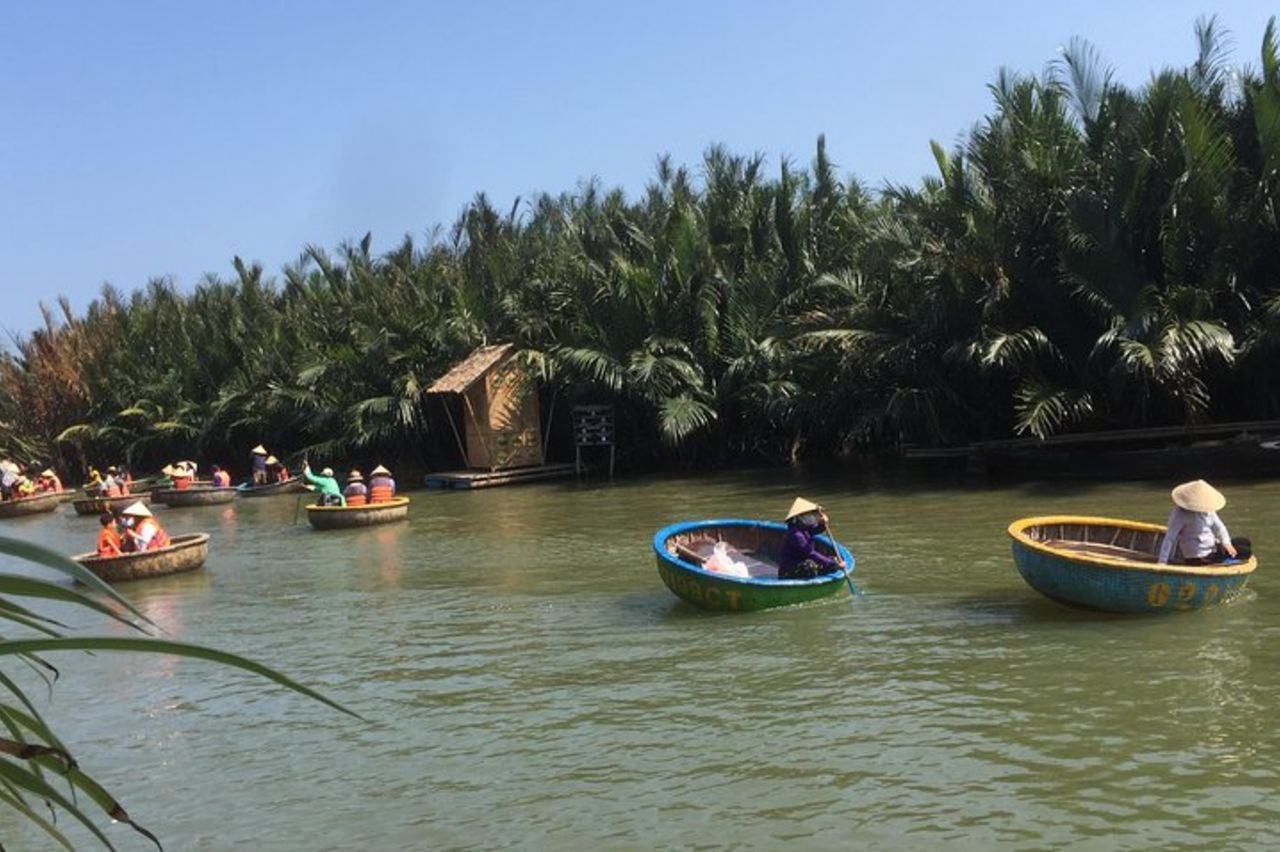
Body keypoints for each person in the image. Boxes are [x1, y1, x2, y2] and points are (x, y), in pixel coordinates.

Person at [1157, 479, 1250, 565]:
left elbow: (1220, 528)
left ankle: (1225, 556)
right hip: (1200, 557)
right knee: (1246, 552)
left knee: (1245, 542)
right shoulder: (1180, 514)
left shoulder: (1207, 510)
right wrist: (1162, 562)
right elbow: (1170, 538)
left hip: (1212, 548)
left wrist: (1227, 543)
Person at [777, 498, 845, 580]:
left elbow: (816, 529)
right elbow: (810, 553)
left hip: (802, 562)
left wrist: (822, 523)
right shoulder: (795, 534)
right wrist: (832, 563)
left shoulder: (804, 528)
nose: (812, 517)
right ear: (800, 517)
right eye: (808, 514)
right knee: (811, 566)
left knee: (833, 560)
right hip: (789, 571)